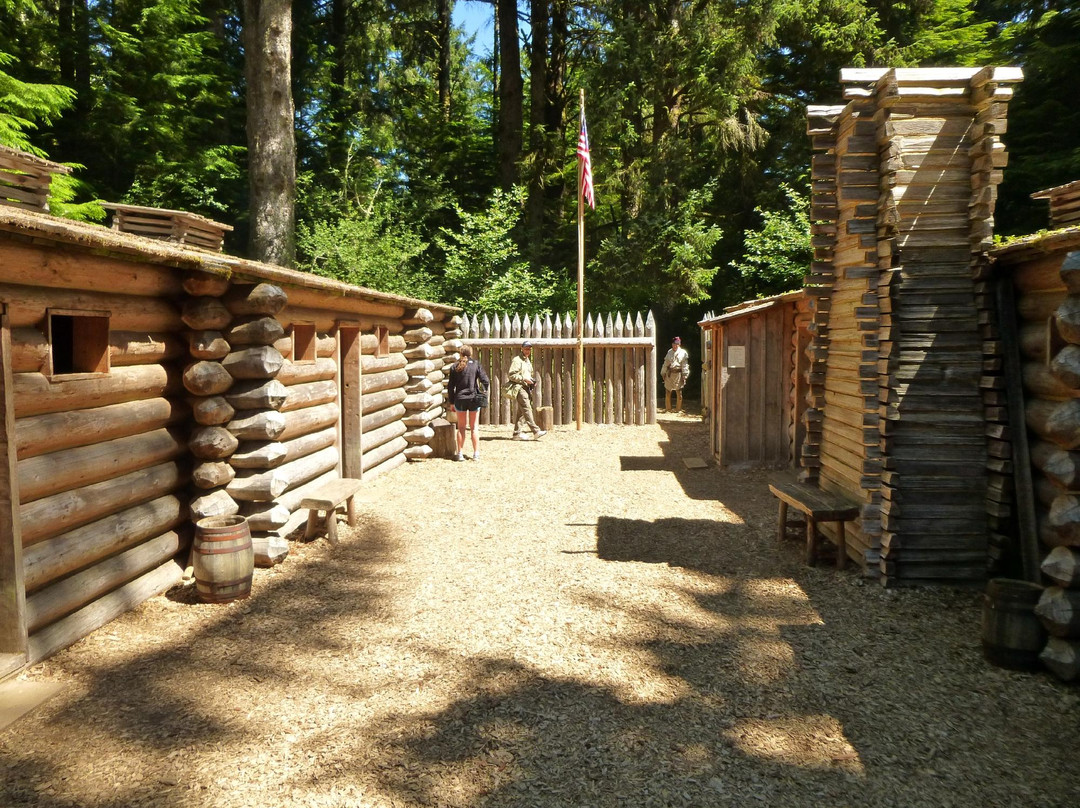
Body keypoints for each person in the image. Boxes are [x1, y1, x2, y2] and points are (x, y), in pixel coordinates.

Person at [446, 344, 490, 461]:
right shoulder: (476, 364)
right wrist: (482, 392)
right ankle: (476, 454)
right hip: (473, 398)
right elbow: (485, 380)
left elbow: (450, 386)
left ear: (460, 353)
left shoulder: (455, 366)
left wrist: (451, 402)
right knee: (474, 427)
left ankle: (460, 453)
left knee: (461, 427)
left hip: (459, 399)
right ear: (471, 353)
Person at [507, 340, 546, 440]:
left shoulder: (527, 360)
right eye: (526, 348)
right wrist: (524, 379)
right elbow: (511, 375)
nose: (527, 351)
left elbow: (527, 374)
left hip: (526, 387)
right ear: (522, 348)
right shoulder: (517, 360)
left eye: (529, 349)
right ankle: (536, 431)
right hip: (519, 387)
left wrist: (532, 381)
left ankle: (516, 434)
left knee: (521, 412)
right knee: (527, 408)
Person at [661, 336, 690, 412]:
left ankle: (678, 409)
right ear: (672, 344)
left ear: (679, 344)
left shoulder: (683, 353)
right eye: (674, 344)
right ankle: (668, 408)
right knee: (667, 391)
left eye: (677, 344)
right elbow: (666, 363)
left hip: (678, 374)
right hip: (670, 374)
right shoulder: (669, 352)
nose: (675, 345)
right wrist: (663, 372)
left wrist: (685, 375)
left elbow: (685, 365)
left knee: (679, 393)